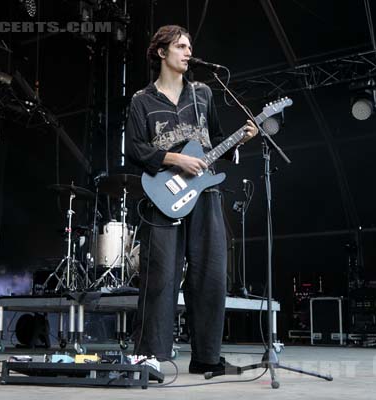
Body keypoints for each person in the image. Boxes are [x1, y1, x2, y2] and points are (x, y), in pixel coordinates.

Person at [125, 25, 258, 374]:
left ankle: (206, 358)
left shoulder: (203, 94)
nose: (188, 52)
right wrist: (174, 158)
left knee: (211, 276)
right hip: (163, 196)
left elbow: (214, 141)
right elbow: (135, 148)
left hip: (205, 194)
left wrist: (239, 141)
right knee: (160, 277)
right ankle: (149, 356)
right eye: (181, 46)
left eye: (189, 47)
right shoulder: (142, 100)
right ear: (161, 52)